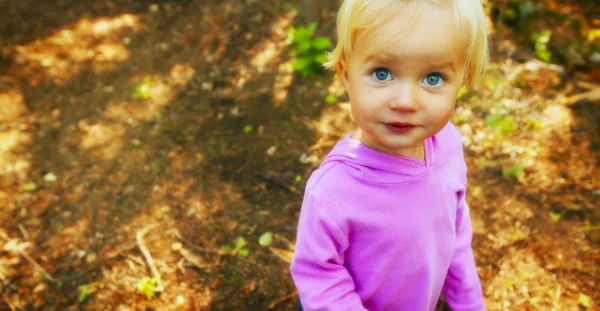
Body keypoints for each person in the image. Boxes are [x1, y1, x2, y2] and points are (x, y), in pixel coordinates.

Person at [289, 0, 489, 310]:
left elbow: (455, 228)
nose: (406, 101)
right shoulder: (332, 191)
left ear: (462, 81)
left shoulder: (449, 145)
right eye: (382, 73)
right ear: (345, 73)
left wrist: (468, 301)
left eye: (433, 78)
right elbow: (318, 276)